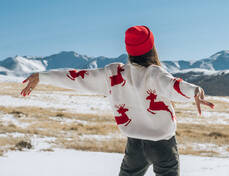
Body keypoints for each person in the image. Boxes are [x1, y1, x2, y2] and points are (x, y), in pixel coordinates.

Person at [20, 25, 215, 176]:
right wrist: (195, 91)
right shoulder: (155, 74)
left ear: (129, 50)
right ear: (151, 48)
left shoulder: (112, 73)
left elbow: (78, 77)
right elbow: (175, 85)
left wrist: (43, 76)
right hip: (163, 144)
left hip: (135, 145)